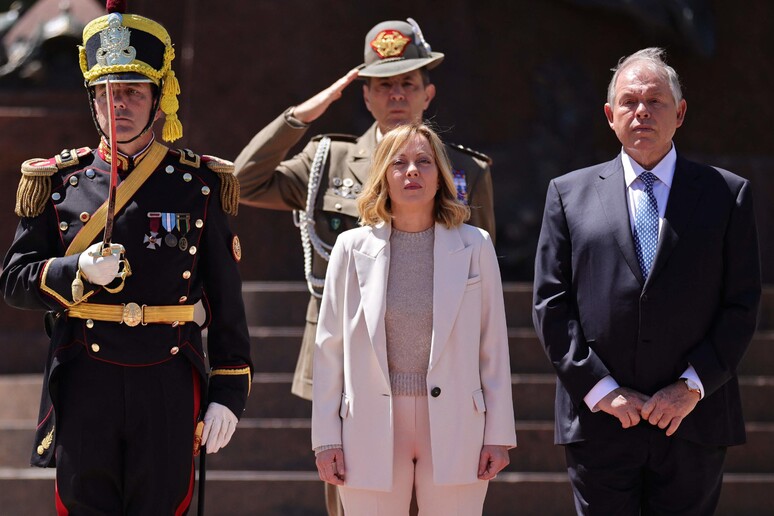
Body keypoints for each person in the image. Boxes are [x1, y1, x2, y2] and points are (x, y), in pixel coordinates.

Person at [0, 1, 252, 513]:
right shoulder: (57, 184)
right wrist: (76, 272)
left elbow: (227, 303)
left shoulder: (197, 185)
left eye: (133, 92)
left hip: (168, 377)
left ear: (159, 101)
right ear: (92, 100)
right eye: (108, 93)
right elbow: (14, 281)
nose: (120, 105)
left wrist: (230, 391)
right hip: (85, 375)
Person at [532, 47, 761, 515]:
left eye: (655, 101)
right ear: (609, 115)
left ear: (679, 113)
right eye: (629, 101)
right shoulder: (568, 194)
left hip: (693, 420)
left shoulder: (726, 194)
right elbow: (551, 303)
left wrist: (691, 386)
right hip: (600, 421)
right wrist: (601, 389)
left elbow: (741, 304)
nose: (641, 112)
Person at [312, 122, 516, 515]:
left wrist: (498, 435)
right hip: (366, 428)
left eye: (424, 161)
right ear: (382, 176)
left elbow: (493, 346)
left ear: (440, 176)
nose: (411, 171)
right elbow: (329, 348)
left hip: (459, 427)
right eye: (398, 162)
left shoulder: (475, 245)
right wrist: (326, 440)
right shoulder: (350, 248)